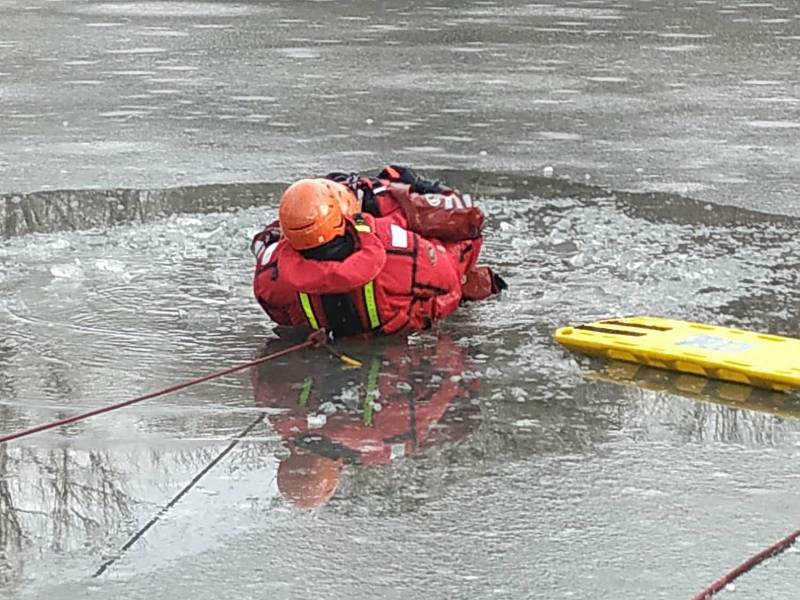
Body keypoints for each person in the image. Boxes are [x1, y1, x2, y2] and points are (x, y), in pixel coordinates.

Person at [251, 165, 506, 338]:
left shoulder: (270, 278)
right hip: (402, 303)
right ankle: (395, 184)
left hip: (358, 322)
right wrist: (420, 315)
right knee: (457, 230)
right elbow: (449, 280)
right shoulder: (399, 251)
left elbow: (282, 316)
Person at [251, 334, 482, 508]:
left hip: (403, 331)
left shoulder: (390, 439)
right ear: (284, 463)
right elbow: (267, 355)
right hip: (328, 319)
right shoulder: (279, 412)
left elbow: (447, 376)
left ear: (334, 482)